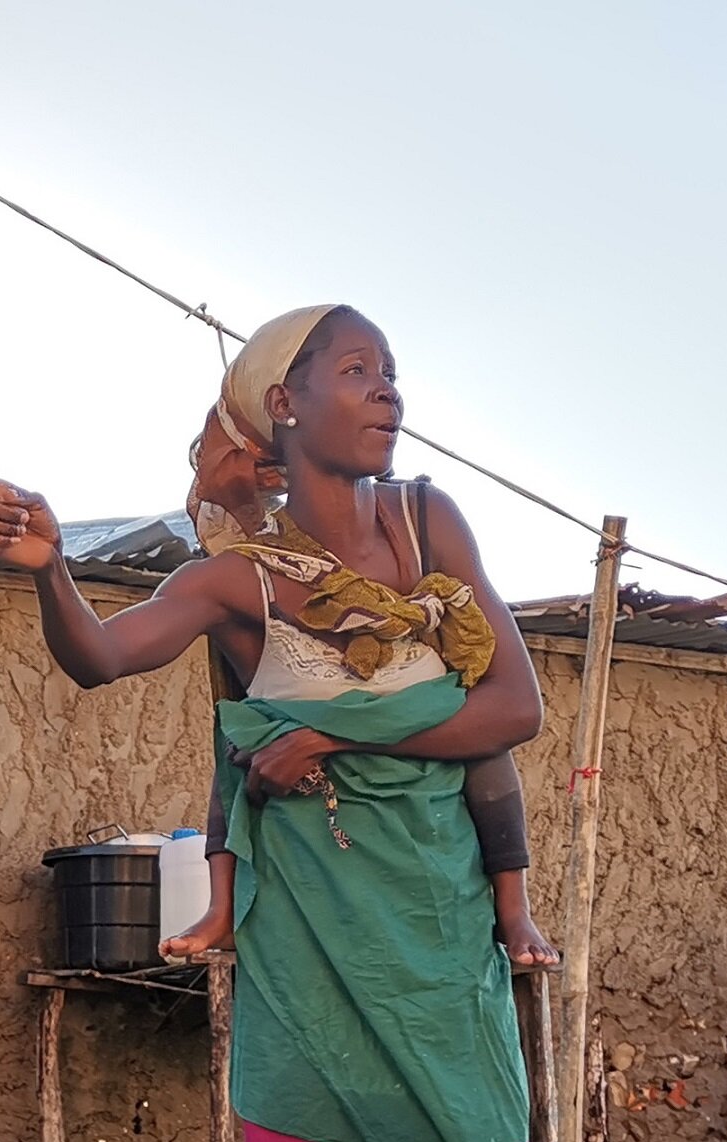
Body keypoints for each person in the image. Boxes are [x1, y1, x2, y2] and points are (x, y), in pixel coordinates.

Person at [0, 304, 545, 1142]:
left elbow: (512, 709)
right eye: (359, 370)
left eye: (391, 370)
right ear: (286, 403)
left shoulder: (426, 521)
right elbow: (103, 657)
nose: (388, 389)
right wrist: (52, 571)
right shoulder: (234, 582)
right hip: (307, 922)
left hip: (441, 913)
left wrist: (326, 732)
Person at [165, 408, 552, 973]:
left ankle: (514, 909)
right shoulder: (256, 559)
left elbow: (515, 709)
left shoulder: (405, 526)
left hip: (414, 688)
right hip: (313, 696)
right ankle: (220, 908)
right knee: (243, 736)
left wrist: (335, 735)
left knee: (480, 737)